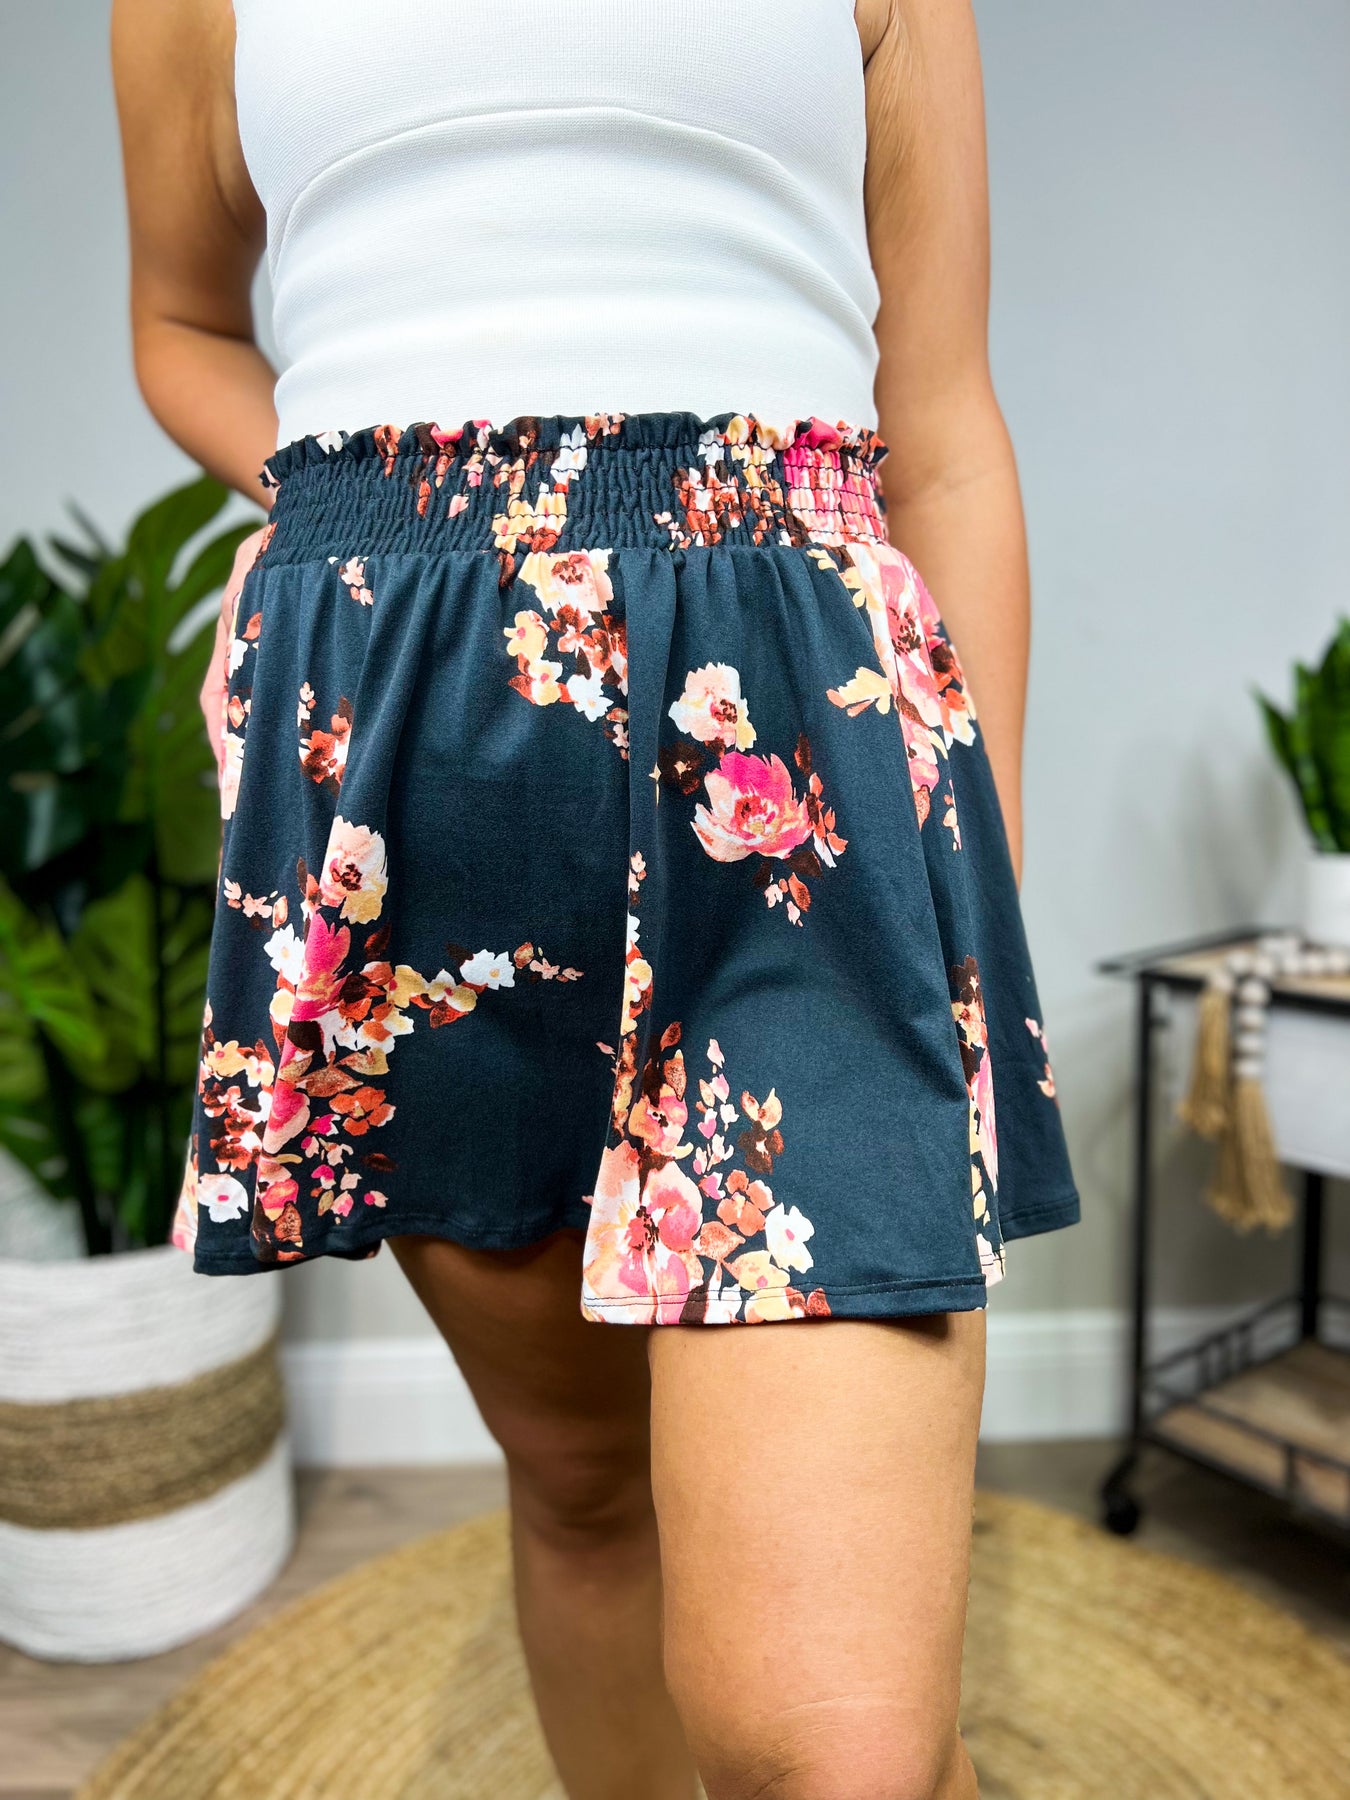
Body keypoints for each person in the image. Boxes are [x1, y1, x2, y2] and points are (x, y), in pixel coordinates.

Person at [113, 3, 1078, 1795]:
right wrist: (339, 521)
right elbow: (181, 322)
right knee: (578, 1487)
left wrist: (975, 890)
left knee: (843, 1749)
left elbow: (939, 427)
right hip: (400, 777)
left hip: (795, 765)